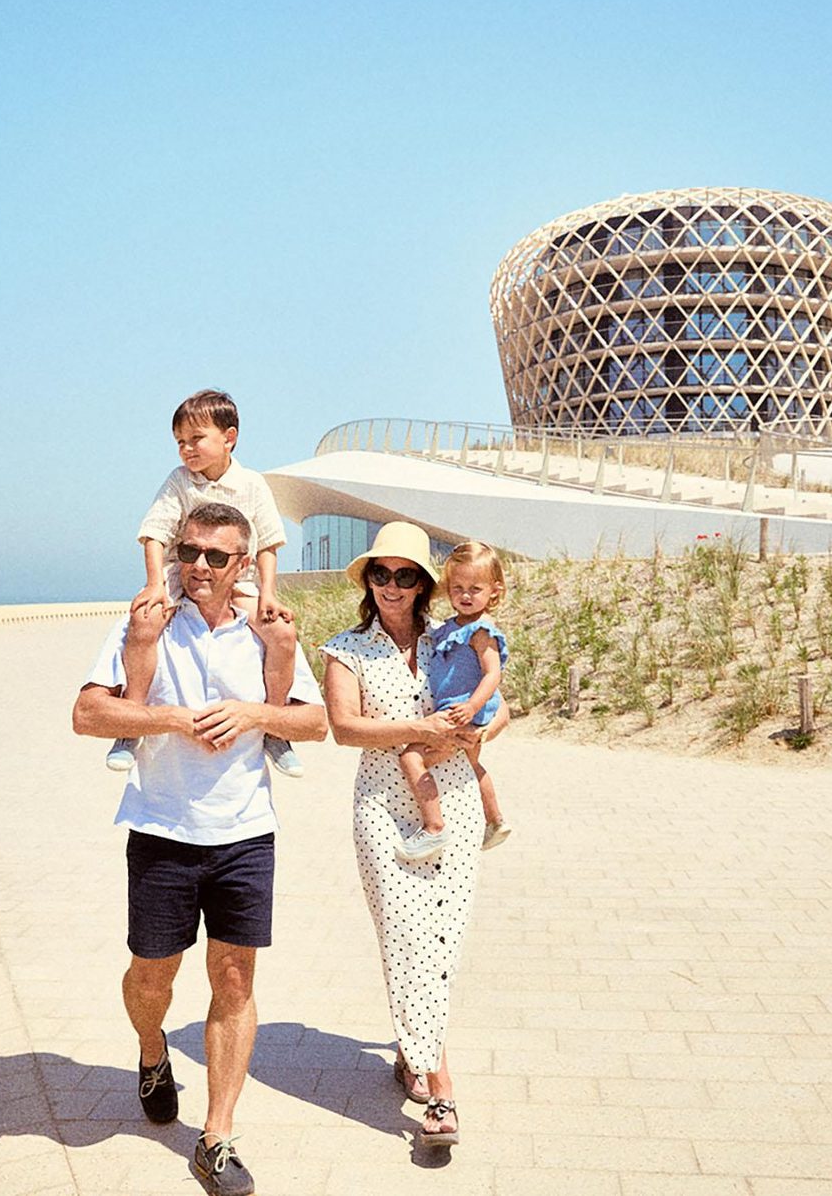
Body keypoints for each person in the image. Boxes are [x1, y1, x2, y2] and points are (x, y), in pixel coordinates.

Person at [72, 501, 327, 1195]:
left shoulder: (265, 631)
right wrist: (173, 719)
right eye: (190, 551)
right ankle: (152, 1050)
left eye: (218, 556)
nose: (200, 566)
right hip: (162, 826)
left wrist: (253, 713)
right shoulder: (147, 622)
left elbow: (314, 721)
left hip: (245, 831)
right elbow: (88, 713)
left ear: (244, 563)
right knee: (153, 975)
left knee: (235, 977)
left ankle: (216, 1136)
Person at [320, 521, 508, 1149]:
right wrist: (420, 727)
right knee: (406, 937)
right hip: (382, 806)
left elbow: (500, 701)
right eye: (381, 574)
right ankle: (441, 1088)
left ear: (425, 582)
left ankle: (413, 1047)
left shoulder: (454, 634)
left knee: (442, 941)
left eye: (405, 575)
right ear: (367, 581)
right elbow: (344, 729)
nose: (392, 586)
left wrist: (483, 731)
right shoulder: (346, 648)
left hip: (452, 801)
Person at [106, 390, 303, 778]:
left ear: (229, 437)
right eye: (180, 442)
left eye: (196, 439)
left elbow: (268, 544)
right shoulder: (180, 481)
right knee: (145, 622)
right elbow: (155, 534)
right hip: (182, 573)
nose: (186, 449)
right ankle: (132, 722)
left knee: (281, 634)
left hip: (238, 578)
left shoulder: (253, 484)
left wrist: (268, 594)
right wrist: (155, 586)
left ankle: (276, 727)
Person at [396, 541, 512, 862]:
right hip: (458, 709)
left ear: (494, 591)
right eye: (457, 587)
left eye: (475, 588)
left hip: (462, 711)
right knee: (472, 764)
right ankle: (495, 819)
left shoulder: (481, 631)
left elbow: (492, 675)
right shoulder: (450, 627)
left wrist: (473, 708)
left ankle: (434, 826)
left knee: (411, 759)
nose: (465, 595)